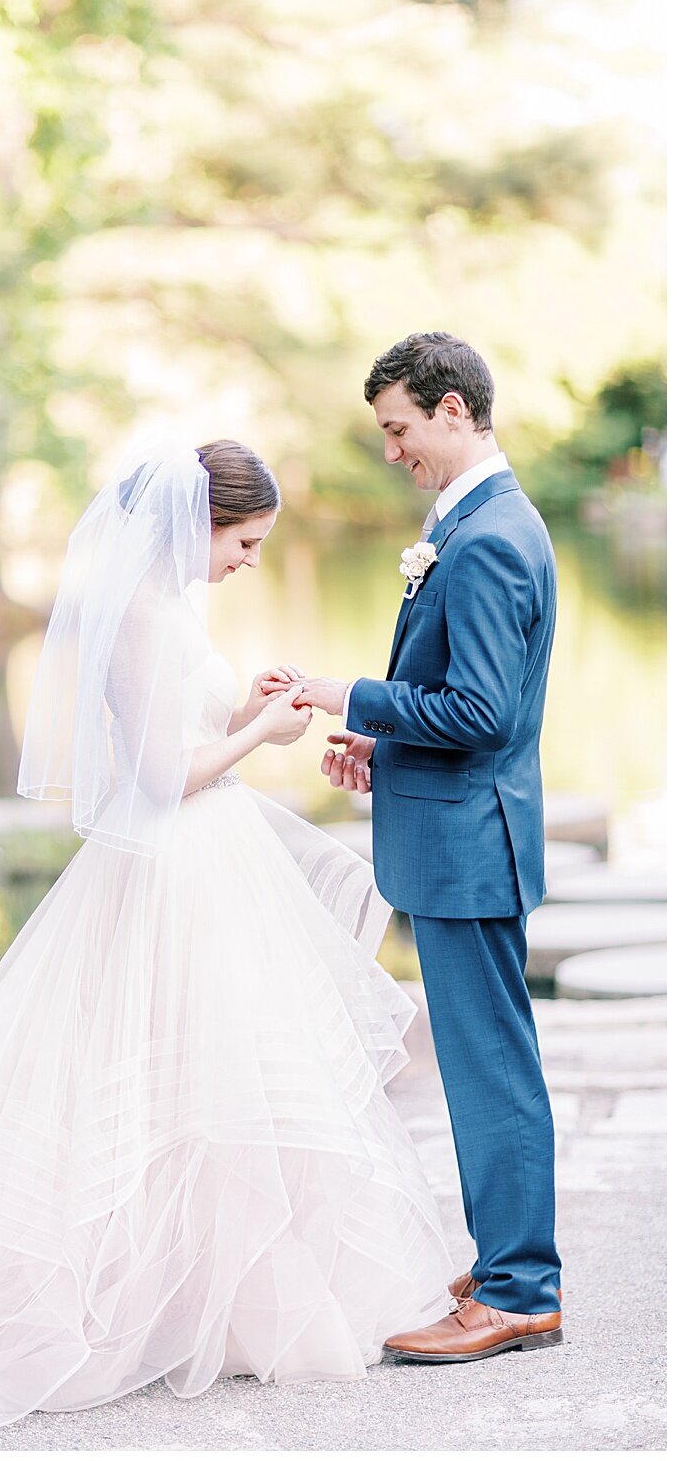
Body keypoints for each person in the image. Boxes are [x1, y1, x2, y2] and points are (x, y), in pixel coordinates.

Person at [0, 436, 451, 1436]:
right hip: (172, 870)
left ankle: (214, 1304)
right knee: (163, 1080)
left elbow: (186, 742)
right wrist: (263, 737)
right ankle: (144, 1301)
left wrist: (244, 707)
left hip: (209, 864)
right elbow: (158, 779)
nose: (249, 561)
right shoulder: (137, 617)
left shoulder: (169, 607)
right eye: (246, 541)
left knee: (222, 1082)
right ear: (200, 522)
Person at [278, 332, 564, 1363]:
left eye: (398, 427)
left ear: (452, 411)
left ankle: (520, 1287)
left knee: (490, 1068)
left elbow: (483, 710)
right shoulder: (480, 520)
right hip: (459, 831)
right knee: (492, 1060)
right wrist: (383, 739)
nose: (390, 449)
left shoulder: (487, 536)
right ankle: (507, 1264)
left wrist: (340, 692)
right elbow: (457, 704)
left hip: (468, 847)